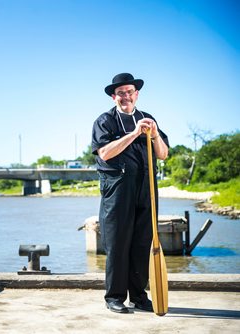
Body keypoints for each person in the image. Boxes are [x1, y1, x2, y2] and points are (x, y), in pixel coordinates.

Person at [91, 73, 169, 313]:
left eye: (130, 91)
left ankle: (139, 296)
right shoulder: (105, 121)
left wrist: (154, 134)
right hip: (117, 189)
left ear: (136, 94)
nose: (126, 96)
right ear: (114, 97)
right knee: (117, 243)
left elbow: (163, 154)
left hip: (146, 188)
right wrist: (134, 134)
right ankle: (114, 297)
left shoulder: (148, 119)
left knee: (142, 243)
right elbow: (104, 153)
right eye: (121, 93)